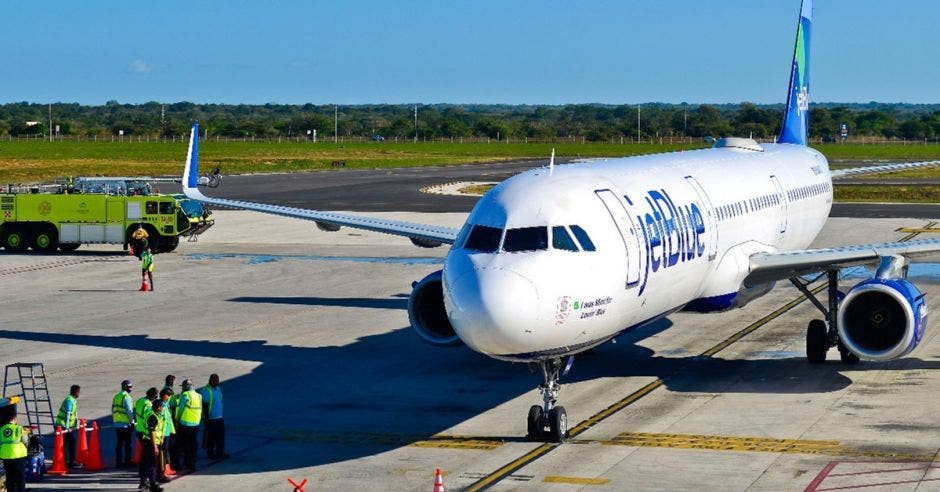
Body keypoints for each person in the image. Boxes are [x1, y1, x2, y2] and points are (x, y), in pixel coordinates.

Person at [0, 399, 29, 492]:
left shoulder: (1, 429)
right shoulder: (18, 428)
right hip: (17, 456)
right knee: (20, 478)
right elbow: (25, 440)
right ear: (13, 419)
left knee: (10, 478)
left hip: (5, 456)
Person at [137, 399, 165, 492]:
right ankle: (153, 485)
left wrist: (161, 438)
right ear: (158, 407)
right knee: (152, 464)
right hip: (150, 442)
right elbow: (152, 432)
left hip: (147, 441)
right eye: (162, 407)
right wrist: (155, 446)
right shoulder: (153, 417)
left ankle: (143, 482)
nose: (163, 408)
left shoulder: (152, 414)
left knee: (144, 462)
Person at [175, 379, 202, 471]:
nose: (182, 389)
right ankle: (193, 463)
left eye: (182, 387)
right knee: (193, 444)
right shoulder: (199, 396)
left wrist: (177, 419)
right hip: (196, 423)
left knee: (186, 445)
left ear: (186, 387)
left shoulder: (185, 395)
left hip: (185, 424)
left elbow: (181, 409)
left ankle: (187, 463)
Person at [199, 374, 228, 459]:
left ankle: (220, 452)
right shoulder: (206, 391)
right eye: (215, 380)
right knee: (211, 438)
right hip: (211, 419)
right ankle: (210, 453)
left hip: (219, 417)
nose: (217, 382)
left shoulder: (218, 389)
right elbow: (204, 405)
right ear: (210, 380)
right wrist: (206, 418)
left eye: (217, 380)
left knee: (221, 437)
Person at [55, 384, 80, 468]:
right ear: (76, 392)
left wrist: (77, 422)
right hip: (62, 425)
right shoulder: (69, 400)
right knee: (66, 443)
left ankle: (69, 461)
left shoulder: (73, 400)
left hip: (66, 426)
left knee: (70, 442)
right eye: (78, 392)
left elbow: (74, 413)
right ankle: (67, 462)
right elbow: (68, 414)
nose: (79, 394)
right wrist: (67, 427)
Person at [112, 380, 136, 467]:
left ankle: (118, 462)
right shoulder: (127, 397)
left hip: (117, 424)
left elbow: (113, 409)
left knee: (119, 443)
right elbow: (129, 411)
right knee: (127, 444)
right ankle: (127, 461)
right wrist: (132, 422)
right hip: (125, 424)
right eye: (130, 387)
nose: (131, 389)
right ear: (126, 387)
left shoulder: (116, 396)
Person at [156, 389, 176, 482]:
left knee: (166, 450)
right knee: (164, 451)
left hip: (167, 432)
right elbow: (162, 421)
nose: (170, 397)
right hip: (164, 433)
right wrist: (163, 435)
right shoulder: (162, 406)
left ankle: (166, 468)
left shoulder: (165, 404)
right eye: (169, 395)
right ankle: (164, 469)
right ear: (165, 396)